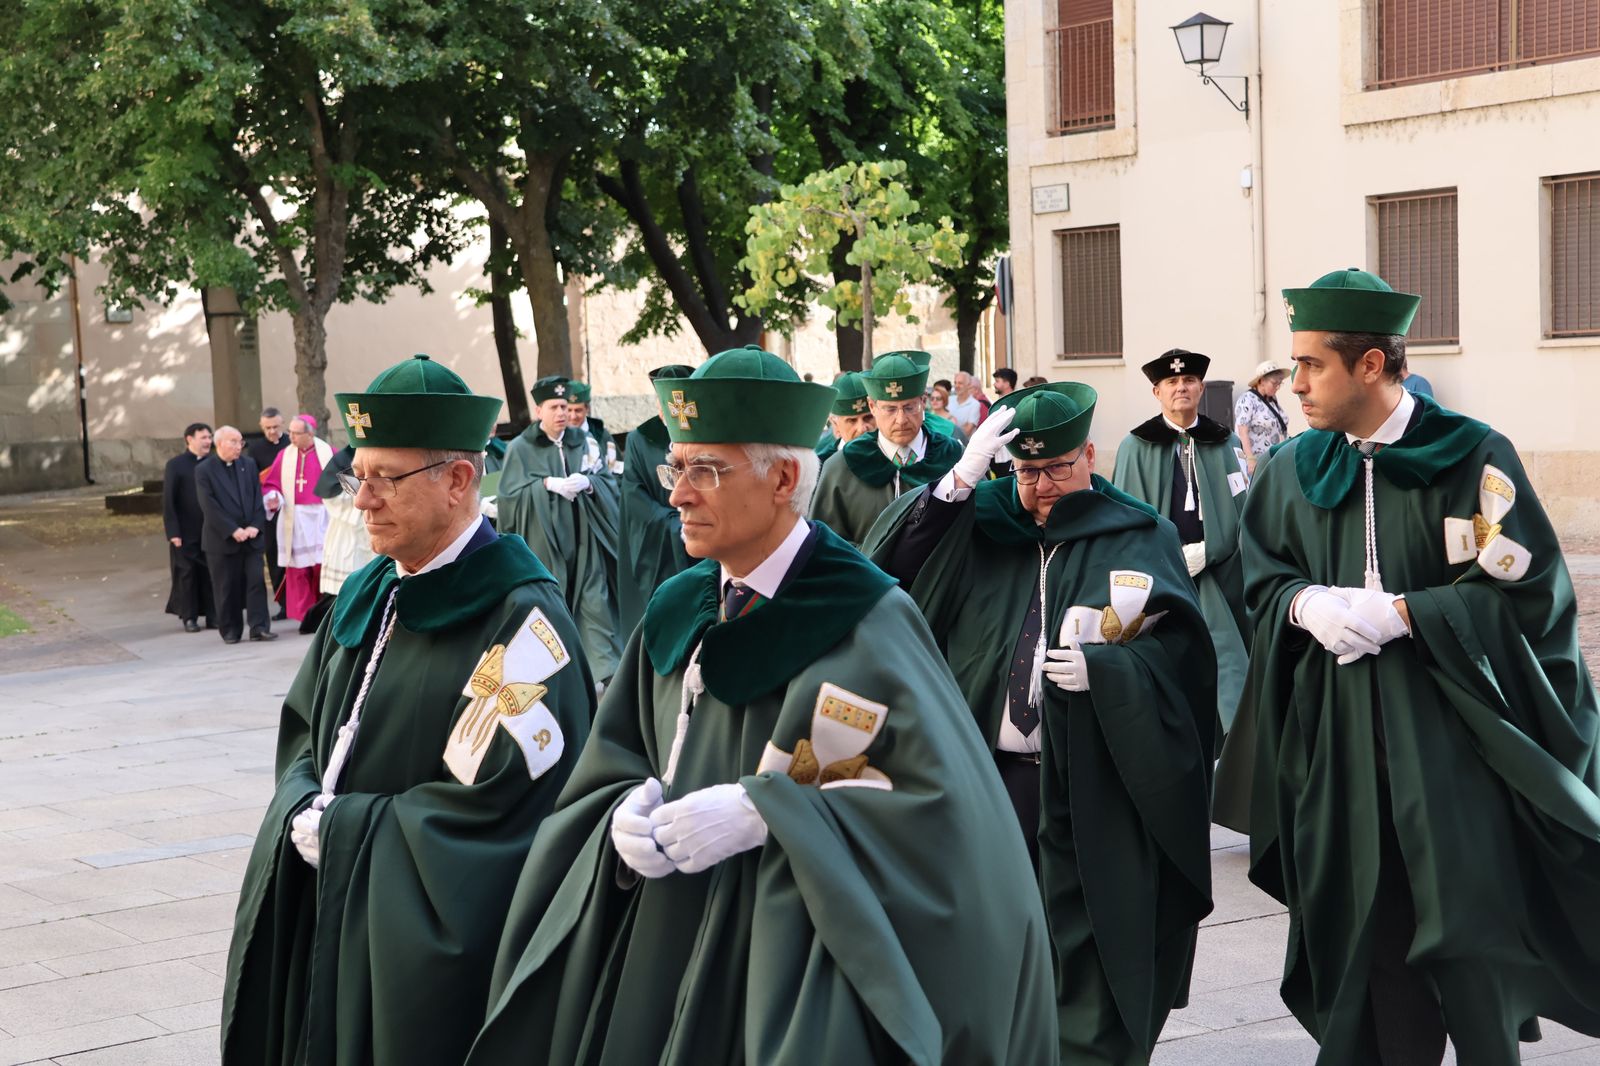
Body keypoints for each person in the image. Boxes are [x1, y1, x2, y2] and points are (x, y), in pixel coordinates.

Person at [466, 346, 1056, 1066]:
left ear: (782, 479)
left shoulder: (867, 619)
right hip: (665, 938)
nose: (680, 494)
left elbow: (949, 818)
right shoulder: (675, 608)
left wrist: (770, 813)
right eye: (675, 468)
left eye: (705, 470)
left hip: (794, 966)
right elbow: (617, 758)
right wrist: (616, 811)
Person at [1215, 269, 1600, 1065]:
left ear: (1370, 366)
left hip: (1451, 756)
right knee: (1364, 943)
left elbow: (1529, 593)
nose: (1294, 386)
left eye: (1311, 366)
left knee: (1469, 944)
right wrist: (1302, 604)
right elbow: (1260, 575)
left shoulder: (1470, 457)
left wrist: (1407, 613)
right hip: (1340, 752)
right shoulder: (1292, 468)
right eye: (1292, 366)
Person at [220, 355, 595, 1066]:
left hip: (419, 950)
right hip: (330, 903)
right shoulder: (369, 593)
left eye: (384, 479)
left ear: (458, 480)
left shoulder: (518, 622)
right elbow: (306, 728)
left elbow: (510, 808)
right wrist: (300, 802)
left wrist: (354, 833)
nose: (361, 501)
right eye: (358, 475)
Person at [864, 382, 1215, 1065]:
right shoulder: (978, 523)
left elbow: (1184, 659)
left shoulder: (1140, 533)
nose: (1042, 485)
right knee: (983, 943)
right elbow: (889, 576)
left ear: (1090, 454)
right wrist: (956, 484)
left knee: (1087, 944)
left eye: (1057, 467)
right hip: (987, 783)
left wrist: (1112, 676)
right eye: (1026, 471)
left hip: (1092, 781)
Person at [1112, 350, 1251, 742]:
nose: (1181, 388)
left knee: (1225, 662)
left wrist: (1212, 550)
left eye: (1189, 381)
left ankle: (1230, 744)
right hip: (1160, 572)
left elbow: (1241, 507)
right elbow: (1124, 517)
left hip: (1218, 572)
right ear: (1157, 392)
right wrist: (1165, 557)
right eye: (1172, 383)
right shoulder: (1135, 446)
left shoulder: (1222, 442)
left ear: (1201, 388)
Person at [497, 375, 623, 688]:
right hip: (545, 544)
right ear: (539, 411)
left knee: (596, 604)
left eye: (565, 406)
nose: (562, 413)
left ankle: (605, 677)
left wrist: (591, 484)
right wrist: (545, 485)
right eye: (554, 407)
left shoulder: (585, 443)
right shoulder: (520, 449)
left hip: (585, 541)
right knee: (550, 609)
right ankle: (554, 678)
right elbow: (508, 498)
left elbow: (609, 483)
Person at [809, 350, 964, 545]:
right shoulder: (840, 468)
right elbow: (826, 545)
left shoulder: (955, 458)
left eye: (909, 407)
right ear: (872, 407)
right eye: (890, 409)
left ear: (923, 402)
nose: (901, 420)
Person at [618, 364, 696, 636]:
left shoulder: (706, 436)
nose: (670, 410)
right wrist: (672, 524)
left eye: (677, 402)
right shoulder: (640, 438)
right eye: (664, 403)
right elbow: (633, 492)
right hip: (661, 543)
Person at [195, 426, 273, 645]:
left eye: (240, 442)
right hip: (222, 540)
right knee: (226, 586)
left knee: (256, 582)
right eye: (234, 442)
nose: (239, 447)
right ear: (219, 444)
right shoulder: (204, 469)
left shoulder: (248, 465)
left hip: (251, 536)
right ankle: (230, 629)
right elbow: (209, 505)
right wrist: (232, 530)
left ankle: (259, 627)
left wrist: (255, 525)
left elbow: (258, 498)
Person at [262, 415, 333, 622]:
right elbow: (271, 483)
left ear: (310, 433)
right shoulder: (285, 456)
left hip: (322, 517)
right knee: (298, 569)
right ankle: (304, 616)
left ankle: (325, 614)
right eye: (290, 432)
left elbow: (342, 480)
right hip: (296, 518)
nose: (290, 436)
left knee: (322, 567)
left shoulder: (328, 454)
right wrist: (273, 497)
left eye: (295, 433)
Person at [310, 444, 374, 620]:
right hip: (347, 529)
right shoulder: (342, 460)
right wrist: (359, 501)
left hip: (373, 524)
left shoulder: (377, 454)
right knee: (349, 576)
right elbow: (330, 495)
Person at [162, 422, 215, 633]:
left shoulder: (213, 462)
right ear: (189, 439)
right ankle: (190, 616)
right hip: (185, 531)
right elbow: (168, 501)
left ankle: (213, 615)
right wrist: (173, 531)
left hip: (210, 529)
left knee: (211, 573)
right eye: (203, 437)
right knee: (187, 575)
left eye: (209, 437)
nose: (208, 441)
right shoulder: (176, 465)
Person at [246, 408, 291, 621]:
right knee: (274, 556)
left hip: (293, 508)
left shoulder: (292, 444)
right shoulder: (254, 449)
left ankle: (302, 602)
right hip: (270, 512)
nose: (272, 431)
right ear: (262, 426)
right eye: (267, 428)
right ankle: (283, 604)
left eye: (275, 427)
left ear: (282, 424)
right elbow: (254, 480)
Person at [1234, 359, 1291, 474]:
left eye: (1279, 383)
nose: (1277, 387)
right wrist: (1250, 459)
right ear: (1261, 381)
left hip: (1273, 458)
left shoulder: (1272, 400)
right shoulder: (1247, 399)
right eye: (1274, 383)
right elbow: (1242, 431)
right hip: (1257, 461)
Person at [813, 370, 875, 463]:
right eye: (852, 420)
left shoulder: (893, 458)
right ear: (835, 424)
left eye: (868, 418)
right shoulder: (822, 467)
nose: (862, 428)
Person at [567, 380, 622, 475]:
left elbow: (617, 470)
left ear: (587, 409)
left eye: (578, 410)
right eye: (569, 410)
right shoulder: (557, 435)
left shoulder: (601, 435)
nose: (573, 416)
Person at [949, 370, 984, 435]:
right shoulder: (949, 399)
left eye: (960, 383)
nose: (956, 386)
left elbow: (967, 431)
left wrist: (949, 424)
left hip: (963, 444)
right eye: (955, 382)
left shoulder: (975, 404)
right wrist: (960, 427)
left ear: (969, 385)